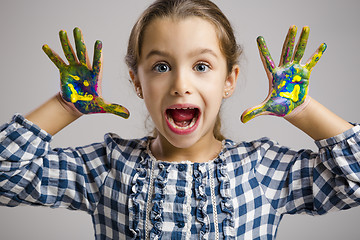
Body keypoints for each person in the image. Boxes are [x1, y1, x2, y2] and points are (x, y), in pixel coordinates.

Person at [0, 0, 359, 239]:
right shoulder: (109, 168)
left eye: (201, 66)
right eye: (161, 67)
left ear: (229, 81)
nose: (180, 85)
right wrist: (65, 107)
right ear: (137, 82)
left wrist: (304, 110)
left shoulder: (262, 170)